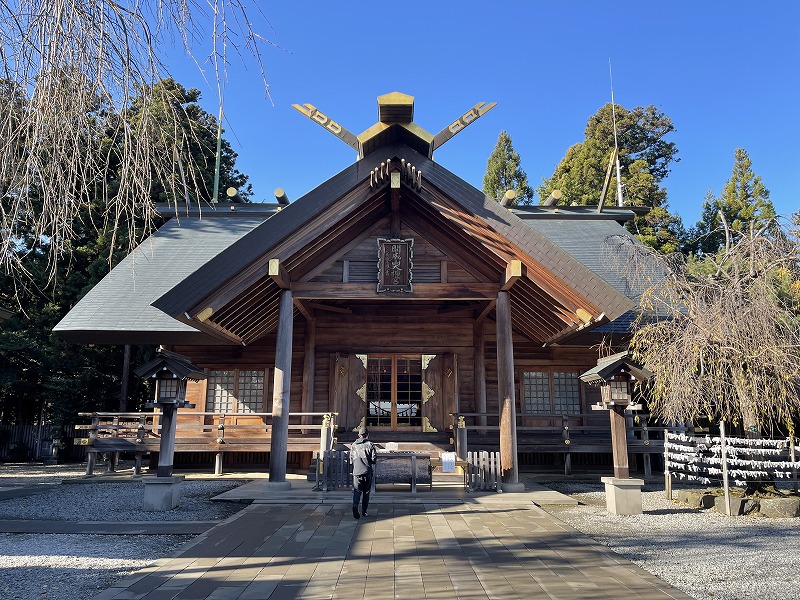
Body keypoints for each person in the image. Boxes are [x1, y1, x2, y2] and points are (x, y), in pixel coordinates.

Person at [349, 427, 377, 519]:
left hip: (356, 471)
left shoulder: (353, 445)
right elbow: (374, 459)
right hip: (367, 471)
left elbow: (351, 459)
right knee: (366, 492)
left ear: (359, 435)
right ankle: (364, 511)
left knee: (357, 491)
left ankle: (355, 505)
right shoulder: (371, 445)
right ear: (367, 435)